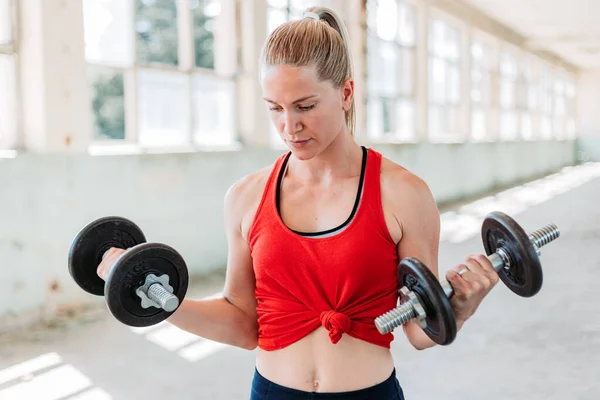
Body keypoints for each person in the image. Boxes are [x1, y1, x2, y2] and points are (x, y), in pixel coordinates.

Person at [98, 6, 500, 399]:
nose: (289, 126)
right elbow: (242, 324)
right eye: (275, 108)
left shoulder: (403, 193)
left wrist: (461, 307)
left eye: (305, 106)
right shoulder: (246, 197)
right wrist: (150, 295)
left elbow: (417, 330)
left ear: (345, 93)